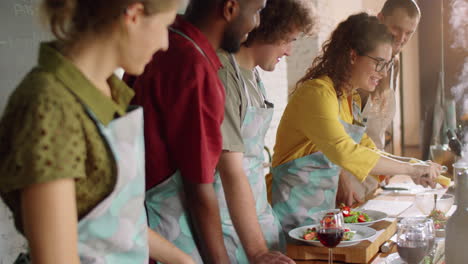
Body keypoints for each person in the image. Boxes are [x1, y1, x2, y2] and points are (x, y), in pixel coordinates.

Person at [0, 0, 194, 264]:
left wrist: (184, 260)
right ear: (134, 16)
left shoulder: (106, 90)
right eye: (165, 27)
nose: (164, 43)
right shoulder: (51, 108)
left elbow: (116, 221)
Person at [270, 12, 442, 233]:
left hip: (318, 220)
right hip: (288, 218)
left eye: (387, 65)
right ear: (352, 56)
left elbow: (367, 147)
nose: (382, 73)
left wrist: (415, 165)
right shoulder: (317, 93)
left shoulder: (349, 99)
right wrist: (411, 169)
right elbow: (346, 151)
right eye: (379, 63)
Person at [123, 0, 266, 263]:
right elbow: (199, 188)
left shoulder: (167, 43)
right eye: (256, 11)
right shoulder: (193, 66)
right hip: (168, 233)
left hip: (138, 229)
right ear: (230, 8)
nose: (257, 23)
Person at [216, 0, 315, 262]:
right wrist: (257, 250)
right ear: (268, 30)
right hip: (228, 224)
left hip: (257, 217)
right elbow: (230, 170)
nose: (290, 51)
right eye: (288, 41)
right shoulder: (224, 73)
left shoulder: (254, 77)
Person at [350, 0, 422, 201]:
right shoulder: (358, 63)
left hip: (373, 180)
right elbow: (338, 135)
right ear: (380, 19)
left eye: (409, 33)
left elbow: (376, 129)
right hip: (345, 182)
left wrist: (388, 168)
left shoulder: (394, 66)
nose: (401, 38)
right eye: (396, 29)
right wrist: (341, 181)